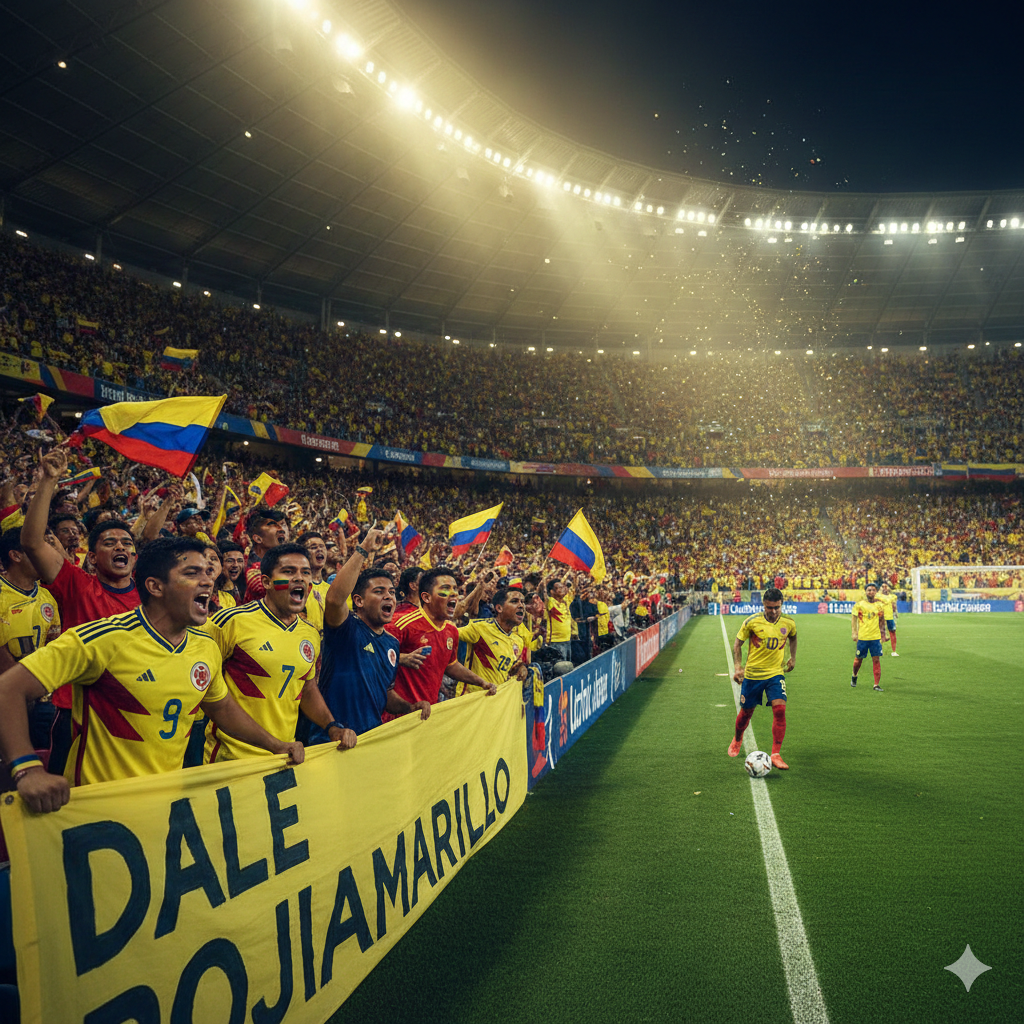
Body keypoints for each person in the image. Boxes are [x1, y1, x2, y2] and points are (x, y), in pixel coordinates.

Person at [0, 537, 304, 813]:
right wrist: (28, 769)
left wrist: (275, 745)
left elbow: (221, 707)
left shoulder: (205, 647)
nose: (207, 581)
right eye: (191, 573)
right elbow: (7, 689)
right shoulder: (102, 639)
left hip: (166, 808)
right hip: (100, 812)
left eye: (208, 572)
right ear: (155, 587)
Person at [19, 448, 140, 774]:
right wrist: (48, 481)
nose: (121, 547)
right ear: (91, 557)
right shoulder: (76, 584)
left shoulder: (151, 596)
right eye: (110, 542)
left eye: (127, 543)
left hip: (132, 712)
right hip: (75, 711)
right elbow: (31, 542)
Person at [204, 543, 355, 762]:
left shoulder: (310, 633)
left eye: (306, 572)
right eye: (288, 571)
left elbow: (306, 687)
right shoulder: (231, 622)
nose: (300, 578)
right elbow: (205, 687)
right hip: (232, 759)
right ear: (266, 582)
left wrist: (331, 726)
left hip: (283, 756)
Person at [313, 527, 430, 738]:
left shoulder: (392, 644)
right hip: (329, 740)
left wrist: (409, 707)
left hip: (369, 740)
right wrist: (364, 548)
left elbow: (385, 693)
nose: (389, 597)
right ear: (358, 601)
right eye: (379, 592)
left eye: (392, 593)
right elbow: (334, 599)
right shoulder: (346, 629)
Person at [386, 567, 494, 713]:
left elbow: (451, 665)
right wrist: (402, 658)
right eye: (445, 588)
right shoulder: (401, 623)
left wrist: (481, 682)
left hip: (427, 713)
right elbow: (374, 656)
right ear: (426, 597)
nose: (454, 594)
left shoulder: (451, 630)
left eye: (455, 588)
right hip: (397, 715)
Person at [728, 587, 796, 770]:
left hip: (775, 673)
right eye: (769, 608)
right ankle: (737, 738)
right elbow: (737, 643)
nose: (773, 612)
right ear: (763, 605)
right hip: (753, 675)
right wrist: (737, 668)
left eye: (777, 608)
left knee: (780, 709)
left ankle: (775, 753)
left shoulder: (789, 622)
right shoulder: (752, 622)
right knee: (746, 713)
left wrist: (793, 657)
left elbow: (793, 637)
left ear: (781, 605)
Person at [457, 587, 528, 695]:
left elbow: (513, 665)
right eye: (514, 601)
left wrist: (521, 667)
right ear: (499, 608)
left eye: (522, 602)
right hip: (472, 700)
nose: (521, 606)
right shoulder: (479, 628)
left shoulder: (518, 640)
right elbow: (448, 634)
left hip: (496, 701)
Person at [851, 583, 888, 690]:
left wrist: (883, 635)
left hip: (875, 638)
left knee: (876, 660)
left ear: (876, 592)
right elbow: (854, 619)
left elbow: (881, 621)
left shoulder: (879, 606)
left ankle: (876, 684)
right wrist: (854, 632)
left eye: (873, 590)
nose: (871, 592)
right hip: (863, 637)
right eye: (868, 590)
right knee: (858, 660)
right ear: (865, 592)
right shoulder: (859, 605)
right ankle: (854, 675)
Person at [878, 581, 899, 656]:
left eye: (886, 586)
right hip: (881, 618)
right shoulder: (877, 596)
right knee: (879, 633)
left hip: (890, 617)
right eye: (882, 586)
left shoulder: (892, 596)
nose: (884, 588)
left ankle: (894, 651)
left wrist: (896, 614)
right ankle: (879, 650)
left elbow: (894, 606)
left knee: (892, 633)